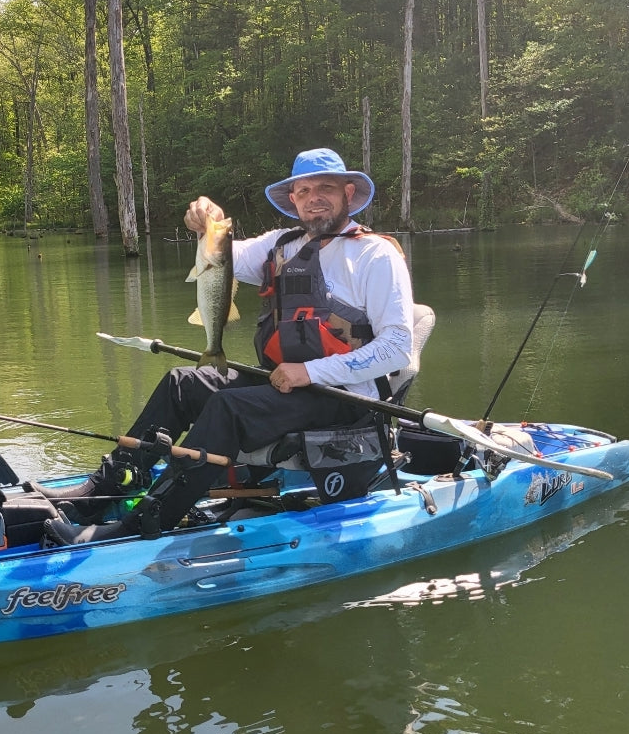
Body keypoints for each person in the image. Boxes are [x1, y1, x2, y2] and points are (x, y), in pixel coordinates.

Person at [40, 147, 414, 545]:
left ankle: (147, 521)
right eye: (303, 191)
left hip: (342, 396)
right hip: (286, 386)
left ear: (348, 193)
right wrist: (208, 222)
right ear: (293, 200)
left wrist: (310, 372)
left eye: (325, 188)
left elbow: (398, 347)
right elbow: (218, 256)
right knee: (182, 383)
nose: (313, 197)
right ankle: (98, 492)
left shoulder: (375, 254)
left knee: (228, 407)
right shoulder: (280, 245)